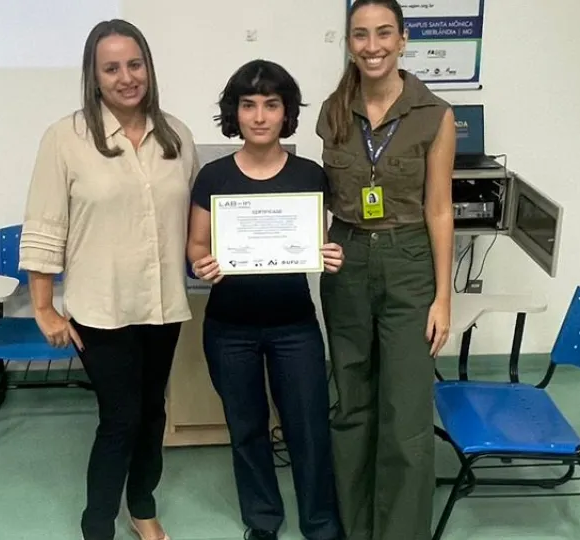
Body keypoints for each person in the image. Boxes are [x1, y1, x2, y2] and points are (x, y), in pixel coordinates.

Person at [18, 18, 199, 540]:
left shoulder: (176, 136)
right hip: (102, 308)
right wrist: (45, 306)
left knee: (152, 412)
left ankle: (141, 505)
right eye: (112, 68)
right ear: (93, 76)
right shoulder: (66, 138)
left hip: (163, 305)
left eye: (135, 64)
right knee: (120, 418)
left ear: (148, 68)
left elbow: (193, 221)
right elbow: (45, 224)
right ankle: (97, 522)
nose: (126, 77)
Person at [186, 59, 345, 540]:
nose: (259, 116)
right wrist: (202, 263)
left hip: (294, 326)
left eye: (271, 105)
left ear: (286, 113)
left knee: (309, 431)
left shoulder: (309, 175)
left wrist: (330, 252)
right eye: (248, 105)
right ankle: (262, 522)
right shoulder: (213, 177)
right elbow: (196, 246)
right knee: (247, 430)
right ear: (234, 113)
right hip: (229, 329)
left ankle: (321, 523)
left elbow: (317, 242)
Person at [315, 1, 456, 539]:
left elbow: (439, 208)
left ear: (403, 38)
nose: (371, 46)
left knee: (405, 412)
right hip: (345, 258)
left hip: (408, 262)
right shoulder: (333, 110)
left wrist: (443, 297)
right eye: (360, 35)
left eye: (383, 34)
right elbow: (319, 199)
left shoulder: (434, 114)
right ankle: (356, 527)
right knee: (351, 402)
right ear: (348, 42)